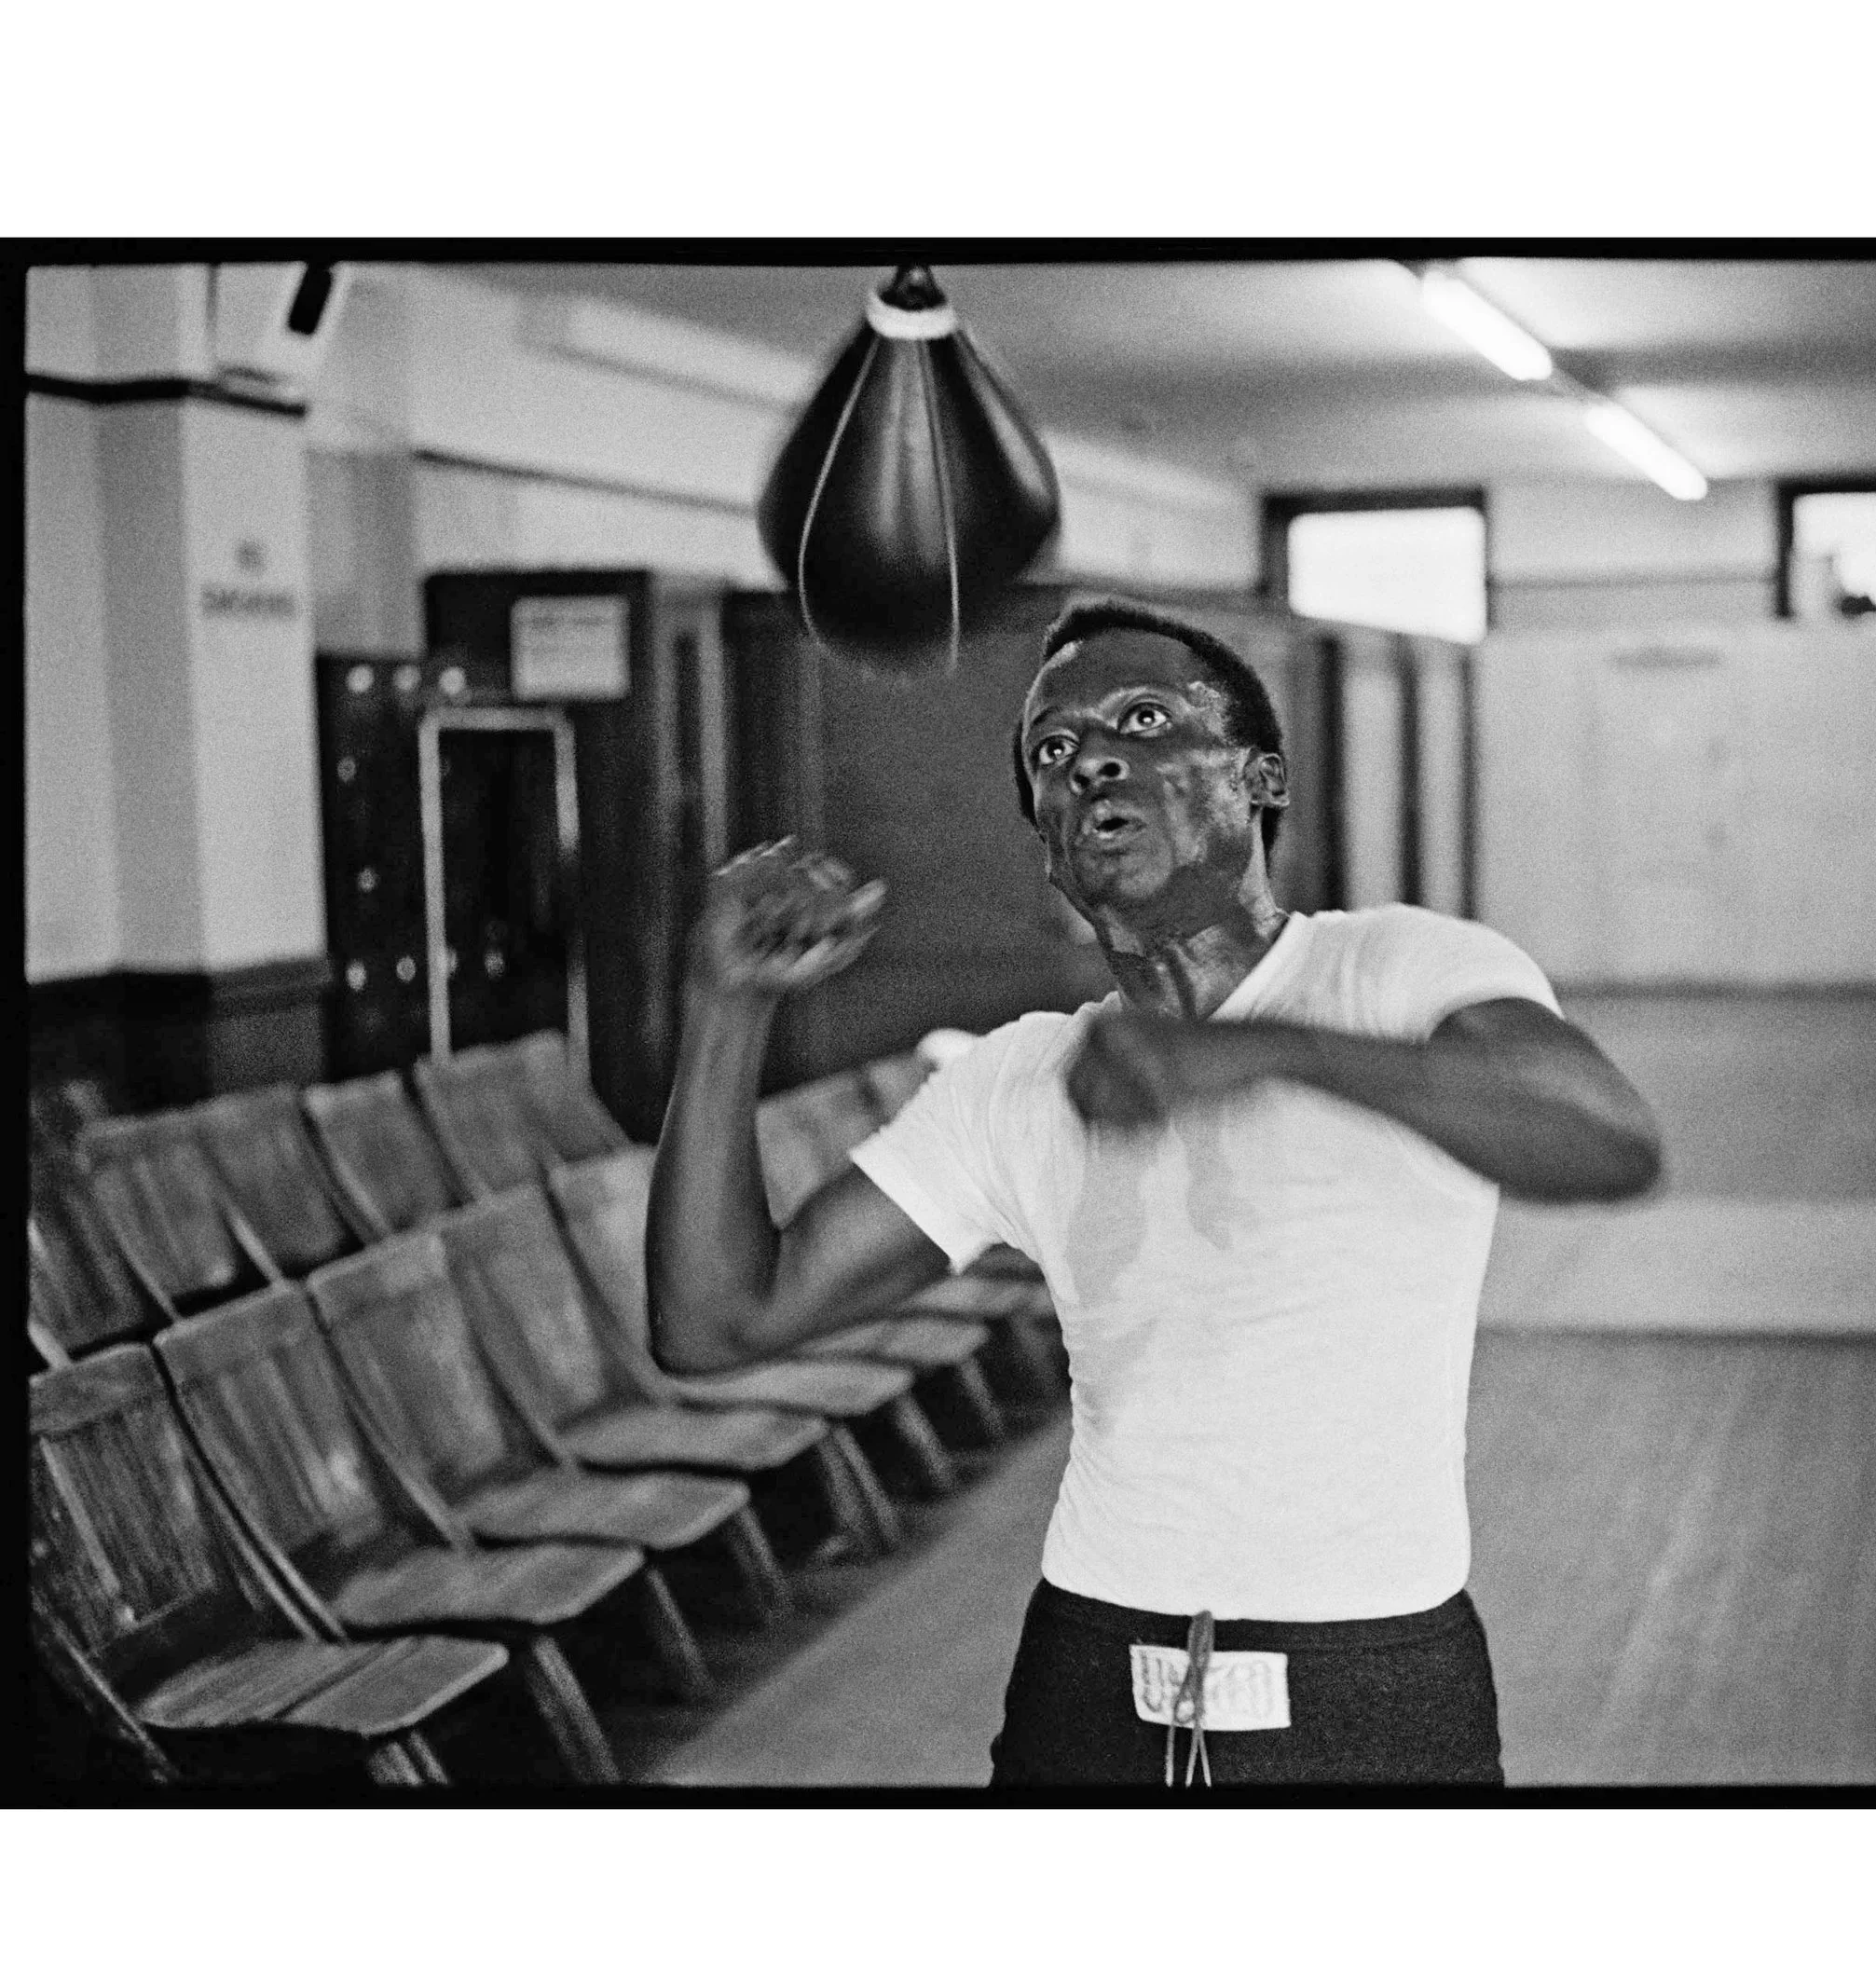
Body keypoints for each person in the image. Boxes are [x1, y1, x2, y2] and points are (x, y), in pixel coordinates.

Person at [647, 596, 1662, 1788]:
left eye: (1143, 719)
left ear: (1258, 778)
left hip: (1372, 1673)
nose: (1093, 764)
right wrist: (725, 1007)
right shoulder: (1020, 1079)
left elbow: (1604, 1137)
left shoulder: (1400, 969)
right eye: (1053, 753)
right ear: (1046, 842)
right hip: (1090, 1672)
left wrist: (1266, 1052)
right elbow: (719, 1320)